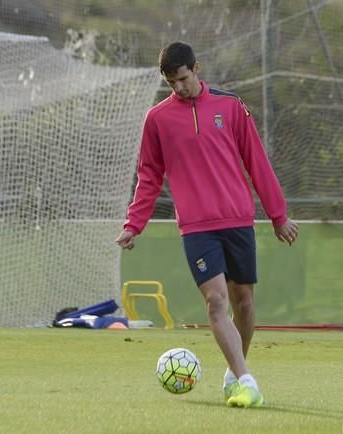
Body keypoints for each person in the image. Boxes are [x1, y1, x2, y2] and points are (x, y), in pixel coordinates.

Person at [115, 42, 298, 408]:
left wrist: (278, 215)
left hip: (238, 219)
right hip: (197, 227)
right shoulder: (157, 119)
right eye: (170, 83)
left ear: (196, 69)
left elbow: (256, 161)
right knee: (216, 301)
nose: (178, 88)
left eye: (182, 79)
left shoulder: (230, 106)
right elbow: (149, 176)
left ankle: (234, 375)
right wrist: (135, 223)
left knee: (243, 303)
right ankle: (247, 380)